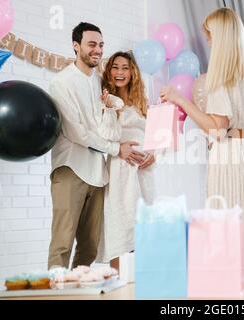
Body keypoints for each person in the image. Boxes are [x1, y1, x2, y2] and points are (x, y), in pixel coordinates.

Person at [160, 8, 244, 300]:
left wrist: (179, 99)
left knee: (236, 230)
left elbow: (216, 127)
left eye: (210, 36)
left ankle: (241, 296)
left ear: (221, 37)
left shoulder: (223, 78)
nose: (208, 42)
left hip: (232, 158)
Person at [47, 22, 143, 270]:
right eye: (92, 44)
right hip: (71, 169)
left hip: (99, 175)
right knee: (62, 244)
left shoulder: (99, 82)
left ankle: (77, 293)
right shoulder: (62, 83)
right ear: (76, 46)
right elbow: (77, 132)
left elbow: (109, 118)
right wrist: (116, 148)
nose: (97, 50)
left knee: (90, 246)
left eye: (101, 45)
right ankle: (55, 295)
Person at [96, 51, 155, 270]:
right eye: (115, 67)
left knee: (144, 225)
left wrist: (154, 154)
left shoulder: (142, 102)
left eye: (125, 68)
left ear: (133, 72)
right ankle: (117, 284)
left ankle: (142, 285)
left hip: (144, 171)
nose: (120, 72)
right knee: (120, 227)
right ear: (109, 71)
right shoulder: (106, 100)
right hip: (121, 169)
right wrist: (109, 109)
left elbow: (155, 135)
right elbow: (107, 135)